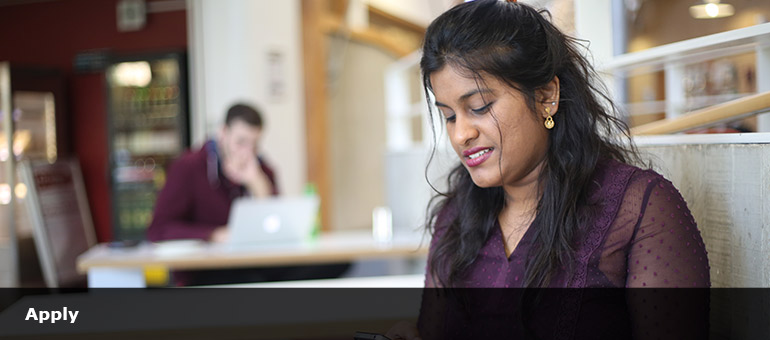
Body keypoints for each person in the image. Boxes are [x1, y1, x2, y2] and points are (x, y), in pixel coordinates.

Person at [387, 1, 710, 339]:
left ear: (546, 96)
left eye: (479, 107)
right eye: (449, 115)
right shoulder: (455, 216)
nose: (460, 134)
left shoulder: (640, 211)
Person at [147, 103, 348, 285]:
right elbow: (159, 230)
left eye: (255, 144)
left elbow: (277, 224)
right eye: (241, 142)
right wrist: (214, 235)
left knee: (336, 263)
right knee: (253, 283)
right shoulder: (189, 167)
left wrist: (257, 185)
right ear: (222, 133)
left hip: (255, 261)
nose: (247, 152)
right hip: (208, 269)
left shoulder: (261, 168)